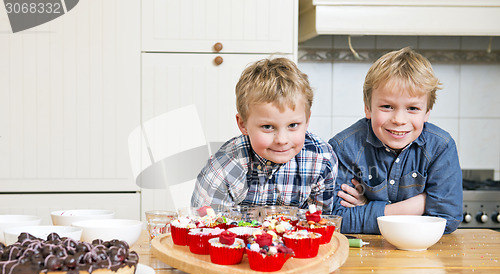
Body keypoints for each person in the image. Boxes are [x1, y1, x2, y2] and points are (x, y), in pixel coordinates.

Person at [329, 47, 462, 234]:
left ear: (427, 112)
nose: (399, 119)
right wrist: (419, 205)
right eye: (387, 106)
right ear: (368, 108)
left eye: (413, 108)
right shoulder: (343, 147)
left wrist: (367, 207)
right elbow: (334, 219)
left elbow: (447, 219)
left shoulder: (441, 146)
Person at [191, 57, 338, 213]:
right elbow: (207, 229)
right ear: (243, 124)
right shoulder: (225, 168)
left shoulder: (322, 161)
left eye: (293, 125)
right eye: (268, 127)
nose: (282, 140)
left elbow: (319, 224)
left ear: (307, 119)